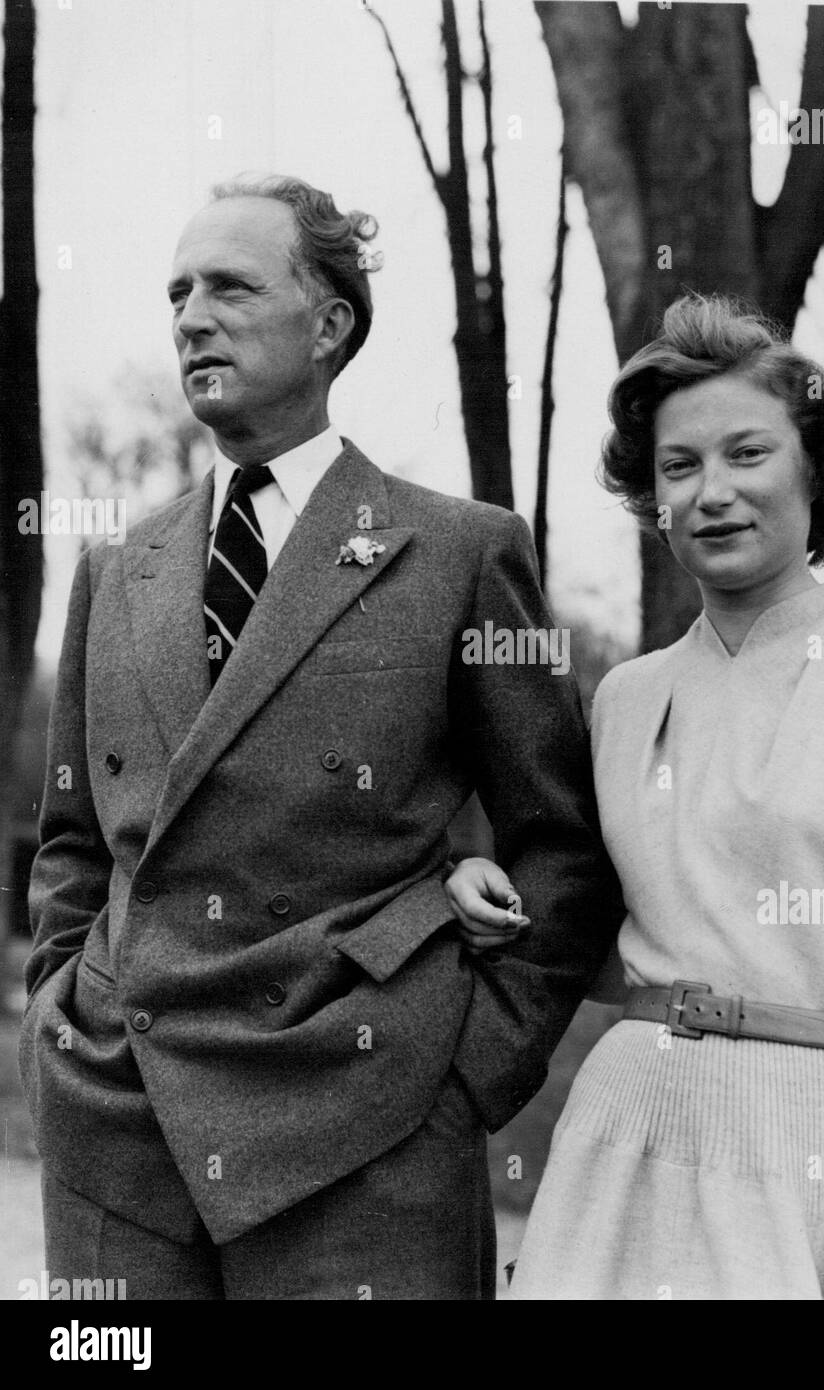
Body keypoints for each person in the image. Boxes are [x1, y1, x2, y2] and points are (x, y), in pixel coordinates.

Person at [19, 175, 622, 1300]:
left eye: (234, 287)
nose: (193, 316)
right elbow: (71, 842)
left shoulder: (457, 551)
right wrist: (59, 1014)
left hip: (362, 1126)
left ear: (330, 321)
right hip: (117, 1124)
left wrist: (463, 1076)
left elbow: (564, 847)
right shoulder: (115, 571)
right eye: (178, 292)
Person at [447, 293, 824, 1300]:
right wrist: (483, 891)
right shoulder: (624, 697)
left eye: (746, 454)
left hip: (821, 1158)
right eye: (679, 465)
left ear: (816, 466)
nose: (709, 490)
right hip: (620, 1142)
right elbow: (611, 946)